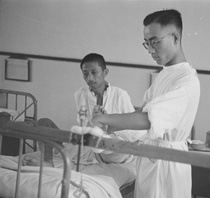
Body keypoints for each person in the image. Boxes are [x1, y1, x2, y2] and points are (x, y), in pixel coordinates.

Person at [91, 9, 200, 198]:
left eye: (155, 42)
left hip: (168, 164)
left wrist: (104, 119)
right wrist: (111, 127)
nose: (150, 50)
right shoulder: (164, 74)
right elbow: (144, 112)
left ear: (175, 37)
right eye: (147, 43)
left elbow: (149, 119)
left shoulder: (187, 80)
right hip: (150, 156)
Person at [23, 53, 146, 168]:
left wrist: (107, 127)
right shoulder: (80, 94)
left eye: (94, 72)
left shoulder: (120, 95)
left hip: (112, 148)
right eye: (85, 73)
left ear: (105, 72)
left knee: (103, 139)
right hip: (87, 142)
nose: (90, 78)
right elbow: (83, 125)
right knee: (43, 123)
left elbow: (134, 132)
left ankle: (99, 136)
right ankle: (47, 162)